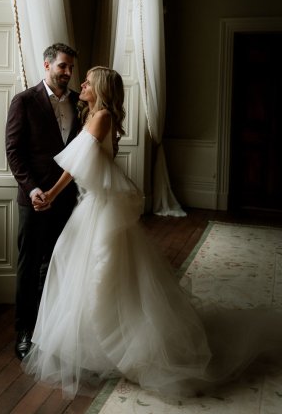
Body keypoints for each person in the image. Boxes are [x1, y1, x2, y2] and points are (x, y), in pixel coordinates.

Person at [22, 66, 282, 399]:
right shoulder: (95, 115)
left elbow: (76, 167)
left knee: (102, 277)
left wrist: (52, 194)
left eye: (88, 80)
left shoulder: (100, 117)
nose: (82, 83)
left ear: (100, 88)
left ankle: (126, 349)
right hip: (95, 206)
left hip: (101, 209)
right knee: (83, 269)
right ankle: (97, 346)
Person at [5, 43, 81, 360]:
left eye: (71, 69)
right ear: (47, 65)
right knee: (29, 265)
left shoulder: (80, 102)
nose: (67, 73)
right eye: (63, 66)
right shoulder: (23, 101)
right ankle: (25, 331)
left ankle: (53, 329)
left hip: (68, 200)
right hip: (34, 200)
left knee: (59, 264)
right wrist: (33, 189)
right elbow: (14, 152)